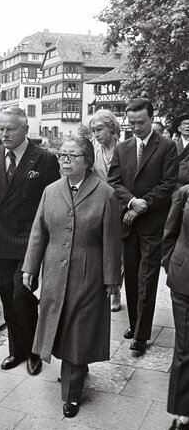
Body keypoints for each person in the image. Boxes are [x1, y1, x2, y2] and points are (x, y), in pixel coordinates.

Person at [22, 137, 122, 417]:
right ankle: (76, 370)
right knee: (60, 324)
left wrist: (112, 280)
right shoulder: (51, 191)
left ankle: (71, 395)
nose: (65, 160)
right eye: (61, 155)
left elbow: (112, 242)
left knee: (79, 331)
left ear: (87, 161)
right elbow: (39, 232)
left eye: (72, 156)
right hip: (54, 272)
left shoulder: (106, 194)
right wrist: (30, 267)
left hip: (88, 275)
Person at [0, 107, 60, 375]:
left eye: (10, 129)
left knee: (23, 297)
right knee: (7, 298)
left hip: (31, 240)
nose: (4, 134)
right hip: (3, 239)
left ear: (25, 130)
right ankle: (16, 350)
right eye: (1, 128)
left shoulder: (43, 159)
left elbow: (53, 203)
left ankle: (34, 351)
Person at [108, 98, 178, 354]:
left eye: (141, 122)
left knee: (148, 278)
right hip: (128, 222)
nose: (136, 127)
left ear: (151, 119)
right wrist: (132, 202)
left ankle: (141, 335)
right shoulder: (122, 148)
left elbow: (168, 184)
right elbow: (113, 181)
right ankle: (135, 322)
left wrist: (141, 206)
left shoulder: (166, 146)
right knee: (133, 276)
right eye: (132, 122)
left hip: (152, 223)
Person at [89, 109, 123, 311]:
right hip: (101, 207)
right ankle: (110, 290)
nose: (96, 135)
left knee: (120, 253)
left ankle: (117, 290)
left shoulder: (125, 149)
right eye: (93, 131)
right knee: (104, 250)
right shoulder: (94, 152)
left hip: (123, 206)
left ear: (111, 127)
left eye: (99, 129)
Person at [162, 185, 189, 430]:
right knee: (185, 348)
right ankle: (183, 416)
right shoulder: (185, 193)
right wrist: (171, 265)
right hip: (185, 282)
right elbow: (169, 233)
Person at [173, 113, 189, 189]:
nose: (187, 126)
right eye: (185, 124)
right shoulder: (172, 145)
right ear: (179, 128)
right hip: (175, 186)